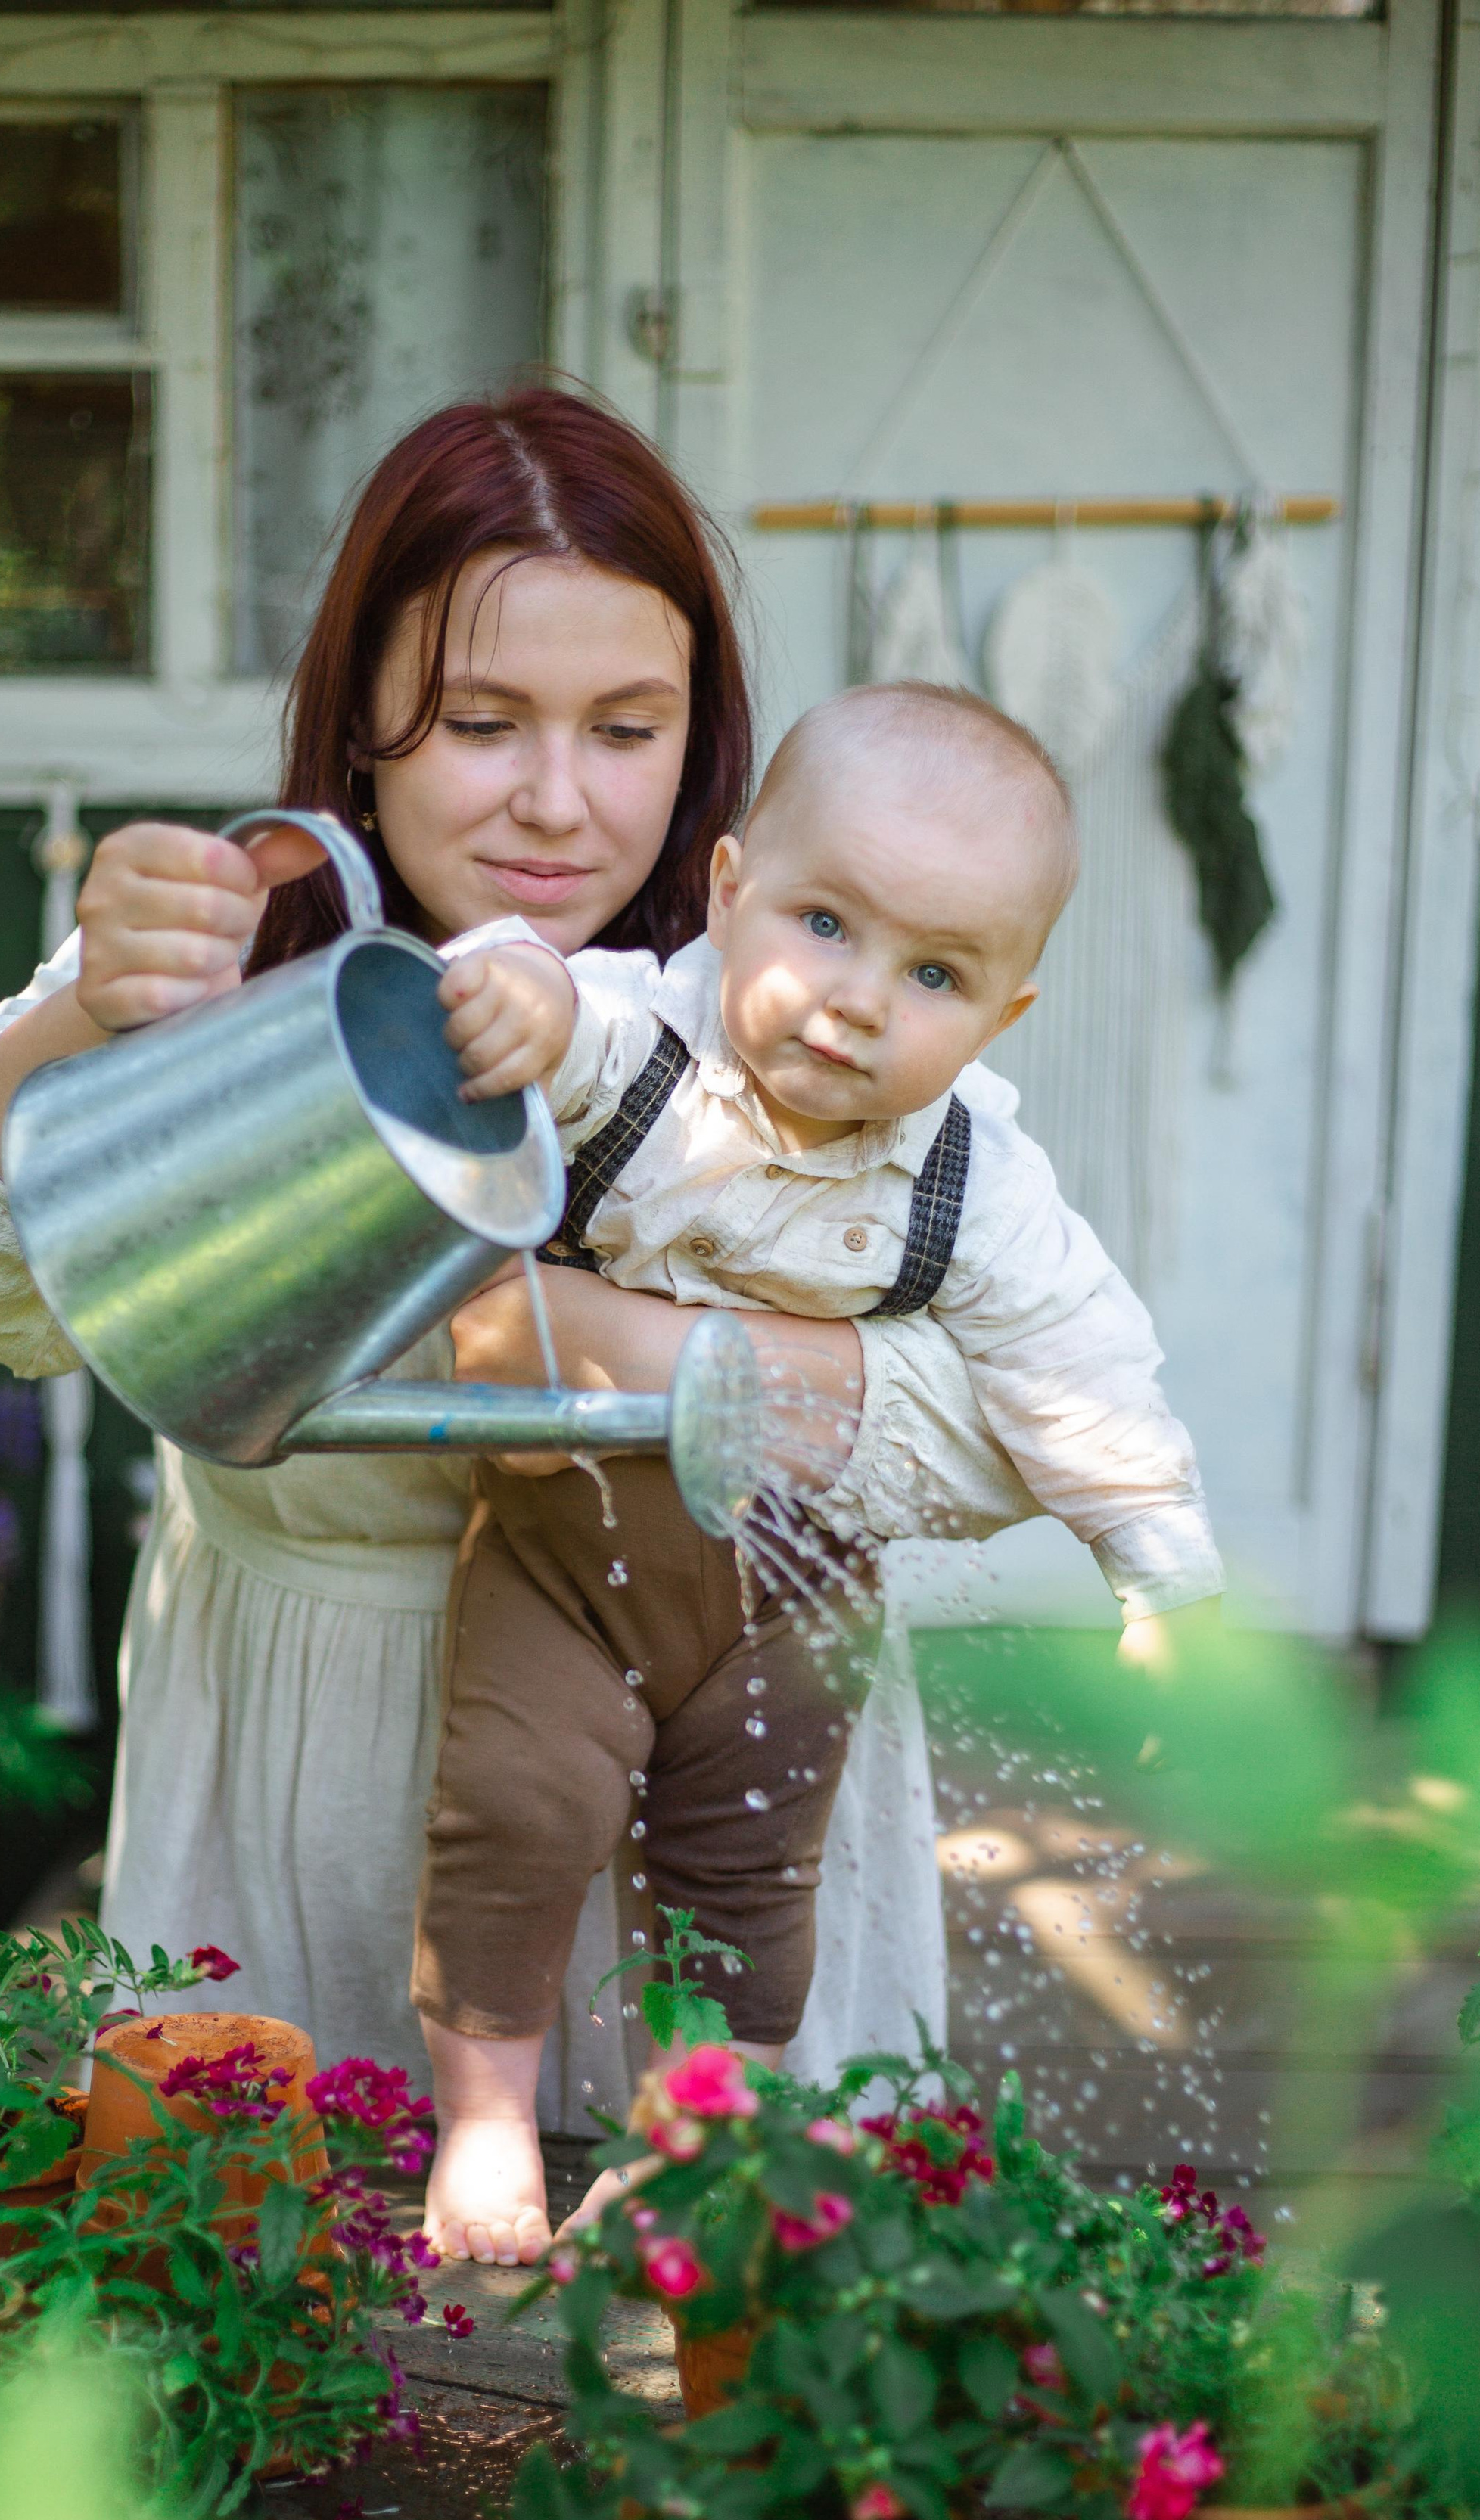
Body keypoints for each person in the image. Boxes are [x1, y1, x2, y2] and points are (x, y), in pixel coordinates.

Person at [0, 387, 1039, 2263]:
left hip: (719, 1795)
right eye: (480, 724)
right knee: (304, 2349)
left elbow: (1013, 1411)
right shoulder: (257, 951)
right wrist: (70, 1033)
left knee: (730, 2362)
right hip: (327, 1767)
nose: (558, 800)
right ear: (364, 729)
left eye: (624, 730)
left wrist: (633, 1359)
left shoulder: (805, 985)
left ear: (697, 736)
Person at [412, 681, 1222, 2252]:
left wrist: (1158, 1577)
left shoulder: (970, 1176)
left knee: (747, 1875)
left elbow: (1079, 1361)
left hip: (791, 1588)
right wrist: (504, 994)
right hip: (560, 1564)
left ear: (1001, 1018)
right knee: (508, 1811)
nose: (855, 1000)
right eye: (824, 925)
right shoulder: (642, 1042)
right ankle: (487, 2121)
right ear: (726, 896)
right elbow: (540, 1001)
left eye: (932, 973)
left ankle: (689, 2143)